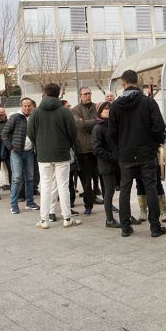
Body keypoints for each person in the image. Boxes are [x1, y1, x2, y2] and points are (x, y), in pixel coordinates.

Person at [108, 70, 166, 238]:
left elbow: (111, 133)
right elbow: (159, 128)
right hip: (146, 153)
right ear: (137, 82)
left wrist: (119, 150)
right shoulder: (148, 102)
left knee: (125, 190)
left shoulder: (115, 106)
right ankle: (155, 226)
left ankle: (125, 227)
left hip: (125, 154)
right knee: (151, 187)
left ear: (123, 84)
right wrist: (154, 144)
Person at [27, 83, 81, 229]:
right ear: (58, 94)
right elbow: (72, 132)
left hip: (43, 155)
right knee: (63, 186)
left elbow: (30, 133)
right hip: (62, 153)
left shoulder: (36, 112)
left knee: (45, 186)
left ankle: (44, 220)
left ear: (45, 93)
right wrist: (66, 145)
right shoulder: (64, 111)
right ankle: (67, 218)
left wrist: (39, 146)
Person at [1, 98, 39, 214]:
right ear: (21, 106)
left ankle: (30, 203)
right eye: (25, 106)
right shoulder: (15, 117)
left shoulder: (34, 117)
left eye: (29, 106)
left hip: (29, 152)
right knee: (17, 178)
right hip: (16, 152)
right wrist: (11, 147)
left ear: (32, 106)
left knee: (30, 178)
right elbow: (4, 134)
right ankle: (14, 204)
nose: (27, 108)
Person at [71, 87, 102, 215]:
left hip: (98, 149)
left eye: (89, 93)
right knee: (86, 180)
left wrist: (92, 122)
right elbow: (80, 125)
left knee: (104, 179)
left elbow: (104, 121)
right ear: (80, 96)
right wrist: (96, 121)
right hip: (83, 150)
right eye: (85, 94)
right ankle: (88, 205)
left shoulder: (97, 107)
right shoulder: (75, 110)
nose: (87, 96)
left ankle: (109, 204)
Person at [92, 101, 121, 228]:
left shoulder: (113, 125)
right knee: (109, 192)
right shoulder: (98, 127)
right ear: (100, 111)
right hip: (107, 165)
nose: (108, 110)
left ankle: (125, 215)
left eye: (110, 108)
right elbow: (97, 148)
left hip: (118, 163)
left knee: (122, 190)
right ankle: (109, 219)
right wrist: (111, 157)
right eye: (105, 108)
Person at [0, 107, 10, 193]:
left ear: (5, 115)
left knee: (10, 170)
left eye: (1, 115)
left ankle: (12, 187)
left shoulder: (8, 124)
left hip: (7, 150)